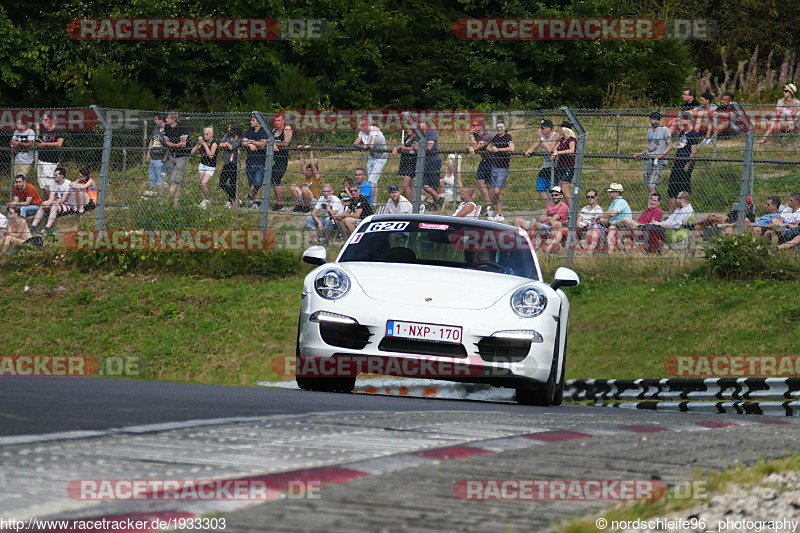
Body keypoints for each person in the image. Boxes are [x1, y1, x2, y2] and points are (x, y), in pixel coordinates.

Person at [544, 188, 603, 253]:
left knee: (559, 226)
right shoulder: (585, 208)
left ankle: (550, 249)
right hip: (578, 228)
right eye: (588, 197)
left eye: (592, 197)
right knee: (562, 230)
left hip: (587, 228)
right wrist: (578, 224)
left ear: (596, 197)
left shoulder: (598, 209)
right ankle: (552, 248)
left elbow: (595, 222)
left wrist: (584, 225)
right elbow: (579, 219)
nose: (590, 199)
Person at [585, 183, 632, 253]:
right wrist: (598, 220)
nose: (609, 193)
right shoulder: (614, 203)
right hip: (613, 224)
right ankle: (588, 250)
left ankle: (609, 253)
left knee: (611, 228)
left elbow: (612, 214)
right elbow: (608, 216)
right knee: (593, 225)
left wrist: (599, 216)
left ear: (616, 193)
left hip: (621, 226)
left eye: (611, 192)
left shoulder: (621, 202)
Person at [667, 111, 699, 213]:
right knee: (672, 188)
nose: (679, 121)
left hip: (685, 164)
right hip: (677, 163)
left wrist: (688, 164)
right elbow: (680, 147)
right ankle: (671, 214)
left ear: (686, 120)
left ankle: (684, 212)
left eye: (681, 119)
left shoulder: (693, 134)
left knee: (683, 187)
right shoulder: (682, 132)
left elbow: (693, 152)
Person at [634, 112, 672, 195]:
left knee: (652, 185)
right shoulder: (650, 131)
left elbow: (670, 145)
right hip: (649, 159)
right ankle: (652, 201)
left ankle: (653, 204)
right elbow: (650, 146)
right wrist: (641, 153)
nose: (656, 121)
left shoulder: (664, 130)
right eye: (654, 119)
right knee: (648, 184)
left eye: (658, 120)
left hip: (659, 161)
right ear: (650, 120)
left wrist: (662, 154)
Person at [524, 119, 559, 207]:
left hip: (555, 166)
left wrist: (542, 139)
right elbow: (534, 146)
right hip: (546, 166)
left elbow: (550, 149)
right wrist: (529, 150)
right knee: (540, 187)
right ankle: (549, 208)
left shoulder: (555, 136)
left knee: (554, 190)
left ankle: (558, 208)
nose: (541, 130)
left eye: (542, 128)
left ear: (548, 128)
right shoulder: (543, 137)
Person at [353, 117, 388, 202]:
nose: (360, 127)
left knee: (372, 181)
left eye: (362, 125)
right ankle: (374, 202)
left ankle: (366, 201)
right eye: (360, 125)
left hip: (381, 157)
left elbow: (371, 145)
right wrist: (364, 146)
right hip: (372, 156)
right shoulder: (362, 132)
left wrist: (366, 146)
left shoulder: (374, 131)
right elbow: (355, 143)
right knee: (373, 180)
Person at [30, 167, 72, 235]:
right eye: (54, 175)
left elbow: (63, 200)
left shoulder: (68, 184)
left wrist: (51, 203)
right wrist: (47, 203)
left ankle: (47, 229)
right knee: (43, 205)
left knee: (54, 206)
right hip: (55, 202)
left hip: (66, 205)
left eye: (56, 175)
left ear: (62, 176)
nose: (54, 177)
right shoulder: (53, 182)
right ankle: (33, 227)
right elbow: (51, 197)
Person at [486, 121, 514, 221]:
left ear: (505, 128)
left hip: (503, 167)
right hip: (494, 166)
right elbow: (489, 146)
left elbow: (512, 148)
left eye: (501, 127)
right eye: (497, 127)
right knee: (495, 191)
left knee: (497, 190)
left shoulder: (508, 137)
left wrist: (498, 150)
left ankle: (495, 210)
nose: (499, 129)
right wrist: (491, 149)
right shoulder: (496, 137)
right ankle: (498, 213)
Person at [163, 112, 190, 208]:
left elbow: (183, 144)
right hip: (172, 155)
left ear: (174, 120)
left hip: (182, 156)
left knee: (174, 179)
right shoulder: (167, 127)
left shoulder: (183, 127)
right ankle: (175, 205)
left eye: (168, 118)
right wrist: (175, 145)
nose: (166, 120)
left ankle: (164, 201)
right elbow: (166, 143)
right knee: (174, 181)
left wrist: (172, 144)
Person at [467, 118, 494, 210]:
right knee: (479, 181)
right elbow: (468, 146)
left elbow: (478, 146)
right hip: (485, 159)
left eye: (475, 126)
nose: (472, 127)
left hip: (494, 160)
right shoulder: (474, 135)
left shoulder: (488, 134)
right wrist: (471, 146)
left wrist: (473, 145)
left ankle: (492, 205)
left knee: (491, 184)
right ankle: (488, 204)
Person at [36, 113, 65, 197]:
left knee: (48, 184)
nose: (44, 122)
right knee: (42, 184)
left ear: (51, 120)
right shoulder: (43, 131)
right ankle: (47, 204)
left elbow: (59, 143)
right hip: (41, 159)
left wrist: (45, 144)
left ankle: (51, 203)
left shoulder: (58, 130)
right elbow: (39, 141)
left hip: (51, 161)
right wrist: (39, 143)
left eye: (45, 120)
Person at [190, 126, 219, 209]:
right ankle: (204, 201)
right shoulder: (203, 142)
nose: (205, 136)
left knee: (204, 183)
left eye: (207, 134)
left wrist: (205, 146)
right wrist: (198, 144)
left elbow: (211, 155)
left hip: (211, 166)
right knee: (201, 184)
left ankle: (208, 200)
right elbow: (192, 152)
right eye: (204, 134)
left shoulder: (214, 143)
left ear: (211, 134)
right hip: (203, 164)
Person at [270, 112, 293, 211]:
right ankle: (278, 202)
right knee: (273, 181)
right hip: (273, 158)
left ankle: (280, 203)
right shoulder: (273, 130)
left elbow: (286, 143)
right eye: (275, 121)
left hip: (281, 158)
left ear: (283, 121)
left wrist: (274, 144)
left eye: (279, 120)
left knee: (276, 179)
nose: (277, 123)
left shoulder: (287, 129)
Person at [552, 121, 577, 208]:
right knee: (562, 190)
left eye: (561, 128)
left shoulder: (571, 140)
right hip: (561, 165)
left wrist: (559, 152)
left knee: (565, 190)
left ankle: (572, 209)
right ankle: (565, 208)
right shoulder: (562, 140)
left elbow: (571, 150)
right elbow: (555, 149)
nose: (560, 130)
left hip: (568, 166)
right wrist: (556, 153)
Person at [419, 119, 443, 209]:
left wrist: (419, 147)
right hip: (425, 160)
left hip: (433, 159)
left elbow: (429, 147)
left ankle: (435, 203)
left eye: (420, 122)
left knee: (434, 183)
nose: (418, 124)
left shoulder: (431, 132)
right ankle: (438, 199)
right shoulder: (420, 134)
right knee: (423, 183)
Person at [218, 122, 243, 208]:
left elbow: (233, 147)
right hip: (227, 163)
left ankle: (231, 201)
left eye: (230, 128)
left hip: (235, 163)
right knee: (222, 183)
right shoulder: (227, 136)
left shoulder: (239, 139)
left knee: (232, 183)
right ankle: (235, 198)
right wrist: (226, 144)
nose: (228, 129)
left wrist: (227, 144)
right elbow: (220, 144)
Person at [144, 112, 168, 195]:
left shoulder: (168, 130)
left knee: (160, 178)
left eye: (156, 119)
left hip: (161, 157)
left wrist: (164, 160)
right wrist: (148, 153)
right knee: (152, 177)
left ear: (161, 120)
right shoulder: (156, 128)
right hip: (153, 157)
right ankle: (153, 194)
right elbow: (152, 140)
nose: (155, 121)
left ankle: (161, 195)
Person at [393, 126, 418, 204]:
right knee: (410, 185)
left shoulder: (416, 138)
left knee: (405, 185)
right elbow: (401, 146)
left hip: (411, 163)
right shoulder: (407, 138)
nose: (408, 130)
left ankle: (412, 204)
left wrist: (403, 148)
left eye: (409, 129)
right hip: (405, 162)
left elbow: (413, 148)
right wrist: (396, 148)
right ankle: (416, 202)